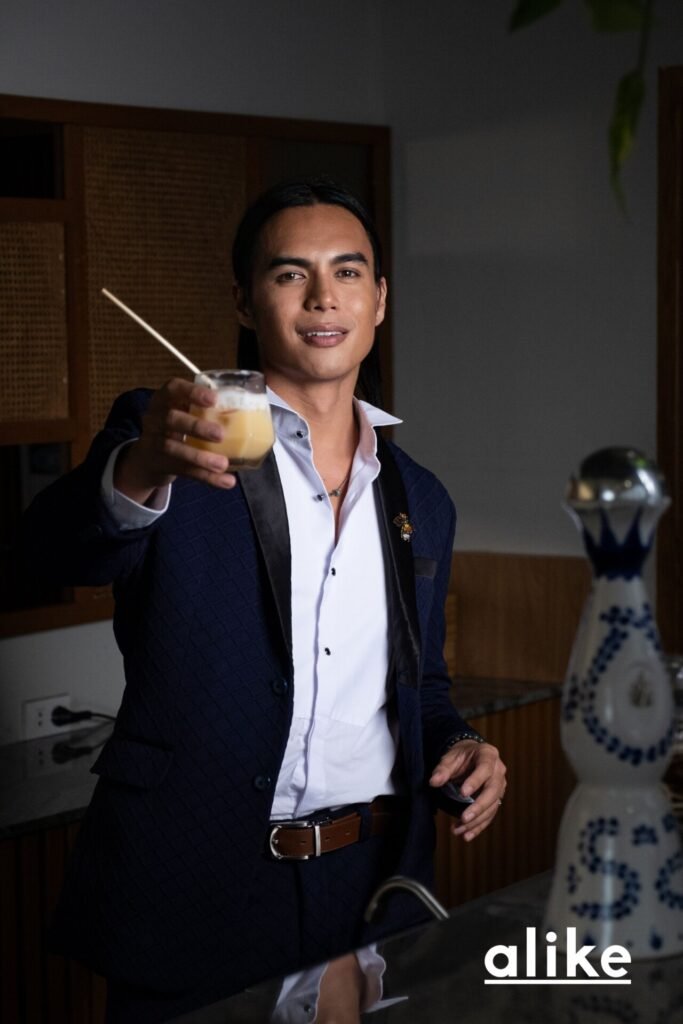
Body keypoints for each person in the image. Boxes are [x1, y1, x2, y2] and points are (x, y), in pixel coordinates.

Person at [22, 177, 506, 1023]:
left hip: (369, 880)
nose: (322, 297)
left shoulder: (420, 498)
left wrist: (463, 745)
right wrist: (142, 466)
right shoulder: (177, 436)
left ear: (378, 299)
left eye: (346, 272)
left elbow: (418, 687)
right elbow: (53, 550)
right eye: (289, 274)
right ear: (245, 301)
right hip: (195, 879)